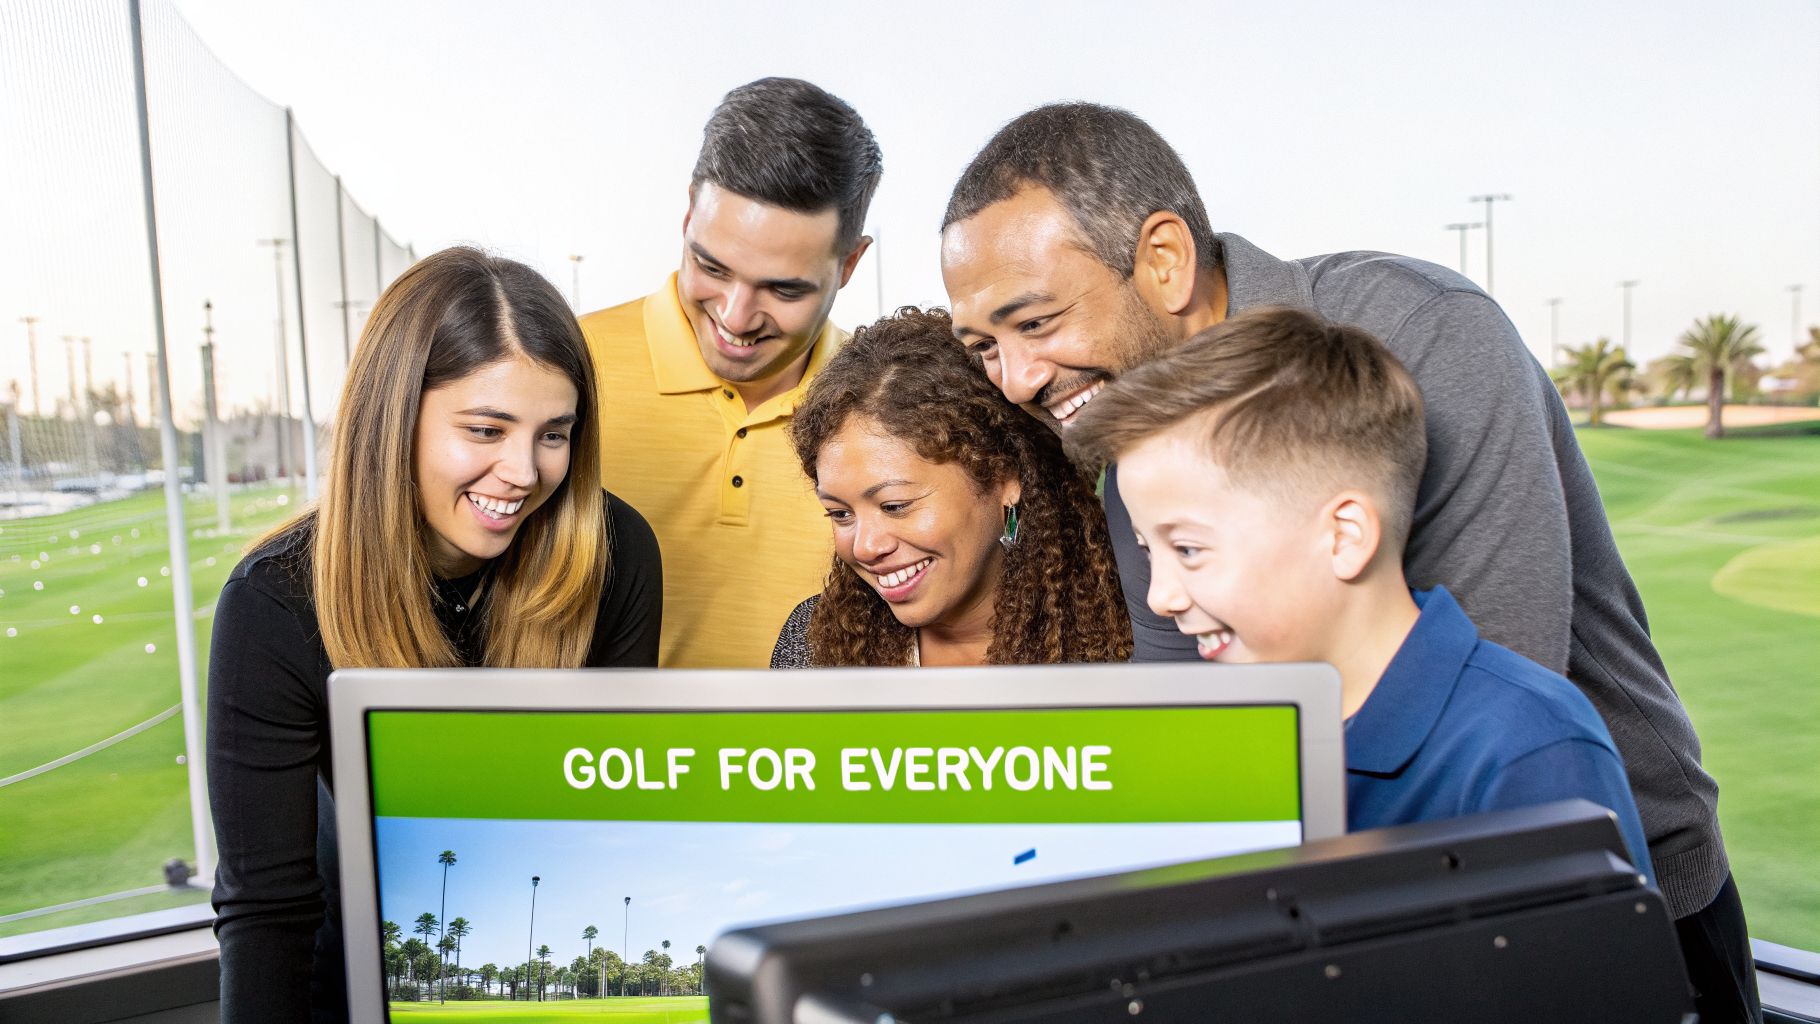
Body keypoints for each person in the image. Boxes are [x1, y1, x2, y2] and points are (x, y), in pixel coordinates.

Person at [939, 103, 1755, 1022]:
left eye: (1035, 321)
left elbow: (1494, 690)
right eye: (982, 349)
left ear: (1163, 260)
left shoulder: (1431, 334)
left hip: (1599, 875)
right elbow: (1192, 723)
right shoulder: (1138, 441)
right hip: (1326, 912)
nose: (1012, 378)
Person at [207, 247, 662, 1023]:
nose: (522, 471)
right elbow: (267, 916)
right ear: (394, 421)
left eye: (554, 434)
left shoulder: (614, 552)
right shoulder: (274, 603)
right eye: (486, 429)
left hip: (539, 974)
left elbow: (605, 829)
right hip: (348, 986)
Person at [1066, 304, 1657, 880]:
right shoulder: (1229, 740)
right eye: (1149, 552)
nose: (1160, 598)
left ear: (1344, 537)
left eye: (1188, 550)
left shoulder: (1530, 752)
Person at [581, 77, 882, 668]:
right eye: (711, 266)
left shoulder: (889, 405)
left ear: (849, 264)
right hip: (604, 760)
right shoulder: (567, 367)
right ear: (690, 211)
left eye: (783, 288)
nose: (735, 316)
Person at [771, 307, 1129, 668]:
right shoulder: (812, 642)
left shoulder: (1125, 640)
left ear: (1004, 478)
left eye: (894, 506)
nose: (865, 548)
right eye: (840, 514)